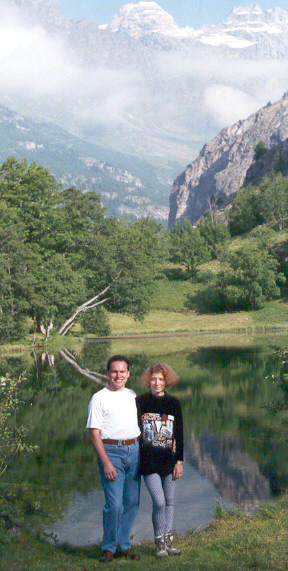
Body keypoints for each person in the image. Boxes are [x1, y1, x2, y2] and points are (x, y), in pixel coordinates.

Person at [86, 355, 141, 563]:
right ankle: (108, 548)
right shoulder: (99, 397)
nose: (118, 375)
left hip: (134, 450)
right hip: (111, 452)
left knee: (132, 502)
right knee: (115, 504)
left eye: (122, 371)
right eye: (114, 371)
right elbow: (94, 433)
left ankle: (123, 546)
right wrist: (106, 462)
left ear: (128, 374)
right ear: (108, 373)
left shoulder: (132, 395)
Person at [136, 362, 183, 559]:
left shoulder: (174, 402)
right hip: (148, 462)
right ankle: (159, 541)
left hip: (169, 460)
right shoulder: (139, 401)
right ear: (148, 380)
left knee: (170, 501)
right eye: (153, 379)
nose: (157, 383)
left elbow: (179, 433)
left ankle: (168, 542)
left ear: (166, 381)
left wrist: (179, 462)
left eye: (161, 379)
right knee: (160, 502)